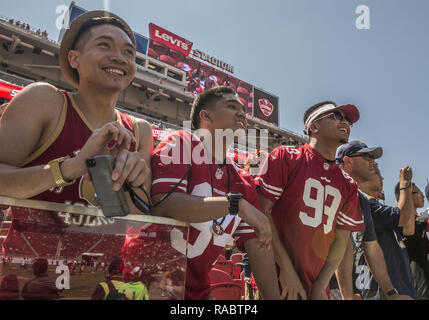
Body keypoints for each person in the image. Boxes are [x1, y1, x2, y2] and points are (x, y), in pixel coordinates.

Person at [0, 11, 153, 257]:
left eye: (128, 52)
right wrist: (70, 168)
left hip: (104, 284)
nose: (119, 58)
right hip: (29, 279)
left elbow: (137, 219)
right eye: (104, 45)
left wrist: (132, 185)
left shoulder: (140, 130)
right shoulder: (43, 100)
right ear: (74, 58)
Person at [151, 86, 280, 300]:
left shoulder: (242, 180)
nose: (241, 114)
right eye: (232, 106)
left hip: (198, 292)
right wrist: (235, 205)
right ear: (206, 115)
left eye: (242, 110)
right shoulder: (181, 142)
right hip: (148, 283)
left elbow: (259, 243)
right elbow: (164, 206)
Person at [255, 101, 365, 300]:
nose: (346, 123)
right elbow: (260, 212)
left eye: (348, 120)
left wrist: (321, 284)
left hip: (317, 286)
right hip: (277, 278)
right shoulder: (286, 157)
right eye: (337, 116)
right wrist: (286, 268)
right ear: (314, 127)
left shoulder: (348, 184)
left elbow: (341, 240)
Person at [335, 141, 413, 300]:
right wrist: (404, 185)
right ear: (348, 161)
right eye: (366, 156)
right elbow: (403, 217)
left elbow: (372, 247)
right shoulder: (350, 196)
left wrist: (392, 293)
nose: (372, 162)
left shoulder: (362, 201)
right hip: (374, 290)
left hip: (391, 288)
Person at [395, 183, 429, 299]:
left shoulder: (422, 222)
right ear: (407, 196)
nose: (423, 196)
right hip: (419, 286)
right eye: (418, 192)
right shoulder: (399, 226)